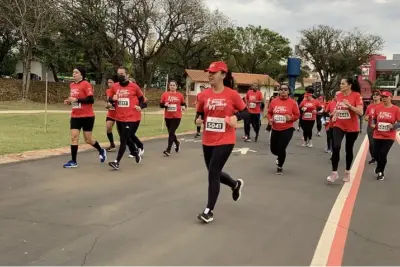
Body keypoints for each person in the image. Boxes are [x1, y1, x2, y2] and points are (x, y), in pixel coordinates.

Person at [195, 61, 248, 223]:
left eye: (214, 72)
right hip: (208, 139)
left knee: (212, 172)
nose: (210, 75)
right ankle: (235, 184)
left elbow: (247, 113)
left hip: (226, 139)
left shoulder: (232, 95)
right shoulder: (203, 95)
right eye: (209, 72)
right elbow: (199, 115)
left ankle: (208, 210)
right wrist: (197, 121)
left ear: (223, 75)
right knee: (214, 173)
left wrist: (235, 117)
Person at [63, 66, 107, 168]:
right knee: (74, 138)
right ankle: (73, 161)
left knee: (88, 140)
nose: (74, 74)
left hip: (87, 116)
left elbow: (91, 100)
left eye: (76, 72)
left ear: (81, 74)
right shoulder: (72, 85)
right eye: (73, 72)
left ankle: (101, 150)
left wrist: (76, 100)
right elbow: (74, 100)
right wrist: (69, 102)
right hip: (75, 115)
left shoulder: (86, 84)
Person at [326, 77, 364, 183]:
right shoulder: (339, 95)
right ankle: (334, 173)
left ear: (349, 85)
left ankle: (347, 172)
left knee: (348, 149)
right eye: (340, 83)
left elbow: (360, 112)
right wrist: (334, 114)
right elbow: (338, 107)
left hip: (352, 127)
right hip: (339, 125)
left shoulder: (356, 96)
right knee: (336, 146)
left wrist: (350, 105)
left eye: (343, 83)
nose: (340, 85)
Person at [108, 67, 145, 170]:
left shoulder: (134, 87)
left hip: (130, 118)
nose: (120, 75)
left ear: (127, 75)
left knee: (123, 140)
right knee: (125, 138)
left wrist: (140, 106)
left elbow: (142, 99)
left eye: (122, 74)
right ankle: (135, 151)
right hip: (119, 117)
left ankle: (117, 162)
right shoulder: (115, 86)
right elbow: (110, 99)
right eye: (118, 73)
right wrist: (112, 100)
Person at [267, 83, 300, 175]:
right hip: (275, 128)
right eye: (281, 89)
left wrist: (291, 118)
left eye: (285, 89)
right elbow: (269, 112)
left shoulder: (292, 103)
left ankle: (280, 166)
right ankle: (280, 156)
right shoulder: (274, 101)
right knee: (273, 149)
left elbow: (297, 115)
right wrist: (270, 119)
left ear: (288, 92)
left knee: (281, 148)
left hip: (287, 129)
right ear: (279, 91)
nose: (283, 91)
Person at [370, 90, 400, 181]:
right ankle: (379, 166)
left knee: (383, 154)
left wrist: (393, 126)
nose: (384, 98)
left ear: (391, 97)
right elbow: (374, 119)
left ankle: (380, 171)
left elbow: (399, 122)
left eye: (386, 97)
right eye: (382, 97)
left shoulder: (396, 109)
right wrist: (373, 124)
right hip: (377, 134)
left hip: (389, 136)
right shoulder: (378, 108)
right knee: (375, 154)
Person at [160, 80, 186, 156]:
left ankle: (168, 150)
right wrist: (165, 105)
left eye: (173, 85)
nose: (172, 86)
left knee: (171, 132)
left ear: (176, 87)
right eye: (171, 85)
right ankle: (177, 143)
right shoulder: (165, 94)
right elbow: (161, 105)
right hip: (167, 116)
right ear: (169, 86)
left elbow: (183, 103)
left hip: (177, 116)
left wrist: (184, 106)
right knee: (171, 132)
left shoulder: (180, 95)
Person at [364, 90, 382, 164]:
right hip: (370, 127)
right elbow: (365, 117)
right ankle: (373, 157)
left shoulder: (382, 105)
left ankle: (380, 158)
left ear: (380, 96)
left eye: (377, 94)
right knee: (372, 144)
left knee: (379, 144)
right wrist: (366, 117)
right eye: (374, 94)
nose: (375, 96)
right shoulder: (369, 106)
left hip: (380, 128)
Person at [105, 76, 118, 151]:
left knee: (122, 131)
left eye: (111, 82)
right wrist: (108, 105)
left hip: (119, 113)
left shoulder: (119, 90)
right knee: (108, 128)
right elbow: (108, 101)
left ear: (115, 83)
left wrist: (113, 104)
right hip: (110, 113)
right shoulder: (107, 91)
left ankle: (127, 145)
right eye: (108, 82)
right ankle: (112, 144)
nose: (109, 84)